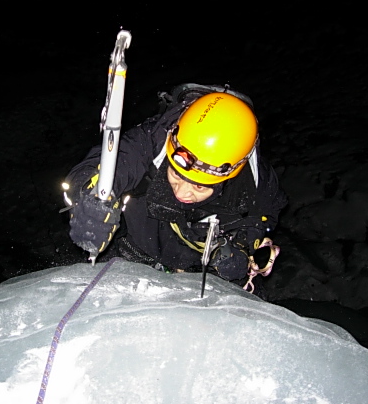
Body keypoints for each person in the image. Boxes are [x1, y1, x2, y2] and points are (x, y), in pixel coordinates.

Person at [63, 84, 288, 295]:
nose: (181, 193)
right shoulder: (152, 140)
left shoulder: (257, 182)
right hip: (133, 251)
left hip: (199, 272)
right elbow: (103, 165)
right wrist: (91, 200)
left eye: (199, 186)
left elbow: (264, 217)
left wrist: (242, 246)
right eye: (176, 175)